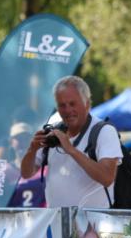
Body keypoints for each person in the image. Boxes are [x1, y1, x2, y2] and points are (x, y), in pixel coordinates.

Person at [20, 76, 121, 208]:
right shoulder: (53, 131)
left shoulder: (104, 131)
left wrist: (71, 150)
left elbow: (107, 178)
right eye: (62, 105)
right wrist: (31, 150)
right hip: (58, 222)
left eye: (73, 104)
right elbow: (27, 173)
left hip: (95, 224)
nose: (68, 110)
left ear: (87, 104)